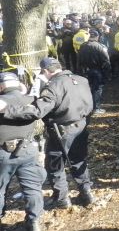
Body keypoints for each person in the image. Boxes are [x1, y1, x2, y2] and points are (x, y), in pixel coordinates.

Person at [1, 58, 95, 209]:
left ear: (45, 71)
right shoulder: (81, 79)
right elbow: (90, 104)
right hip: (81, 125)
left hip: (61, 130)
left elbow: (38, 110)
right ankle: (87, 192)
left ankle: (61, 198)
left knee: (55, 165)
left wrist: (7, 110)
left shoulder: (53, 85)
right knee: (79, 160)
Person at [0, 73, 46, 231]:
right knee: (32, 187)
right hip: (28, 150)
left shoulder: (1, 102)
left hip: (3, 153)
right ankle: (34, 222)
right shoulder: (31, 101)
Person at [78, 29, 111, 115]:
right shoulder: (100, 46)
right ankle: (96, 108)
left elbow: (79, 59)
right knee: (97, 89)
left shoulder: (82, 46)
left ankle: (88, 107)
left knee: (87, 88)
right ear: (97, 37)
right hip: (97, 70)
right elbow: (106, 61)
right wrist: (107, 73)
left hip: (85, 70)